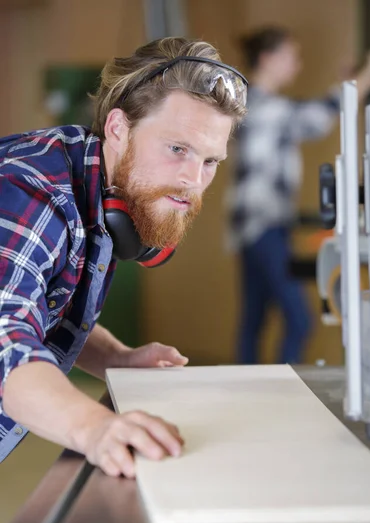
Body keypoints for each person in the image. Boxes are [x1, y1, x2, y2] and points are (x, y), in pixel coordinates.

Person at [0, 37, 247, 477]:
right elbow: (5, 341)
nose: (193, 179)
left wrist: (116, 357)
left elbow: (37, 306)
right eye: (177, 149)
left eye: (211, 161)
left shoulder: (102, 189)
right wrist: (94, 429)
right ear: (118, 128)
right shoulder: (30, 192)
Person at [225, 26, 370, 365]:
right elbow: (315, 118)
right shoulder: (259, 105)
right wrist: (365, 78)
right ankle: (285, 391)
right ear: (268, 59)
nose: (296, 66)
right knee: (298, 320)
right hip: (262, 226)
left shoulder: (252, 103)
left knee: (254, 320)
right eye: (291, 57)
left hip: (256, 228)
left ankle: (248, 392)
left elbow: (313, 116)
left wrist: (349, 88)